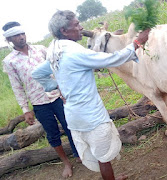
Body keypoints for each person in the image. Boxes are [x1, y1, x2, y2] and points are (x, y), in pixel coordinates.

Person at [32, 10, 150, 180]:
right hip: (91, 117)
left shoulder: (54, 49)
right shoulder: (74, 52)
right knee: (104, 159)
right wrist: (137, 42)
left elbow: (37, 73)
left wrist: (55, 86)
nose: (81, 27)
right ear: (64, 31)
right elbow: (111, 60)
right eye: (76, 25)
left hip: (73, 116)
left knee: (99, 155)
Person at [2, 21, 79, 178]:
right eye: (16, 35)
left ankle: (79, 155)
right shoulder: (10, 61)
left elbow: (57, 69)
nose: (21, 37)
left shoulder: (41, 50)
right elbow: (17, 87)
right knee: (52, 133)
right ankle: (66, 163)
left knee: (70, 125)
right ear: (9, 40)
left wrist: (65, 90)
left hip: (58, 96)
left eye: (22, 33)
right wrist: (26, 110)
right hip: (39, 103)